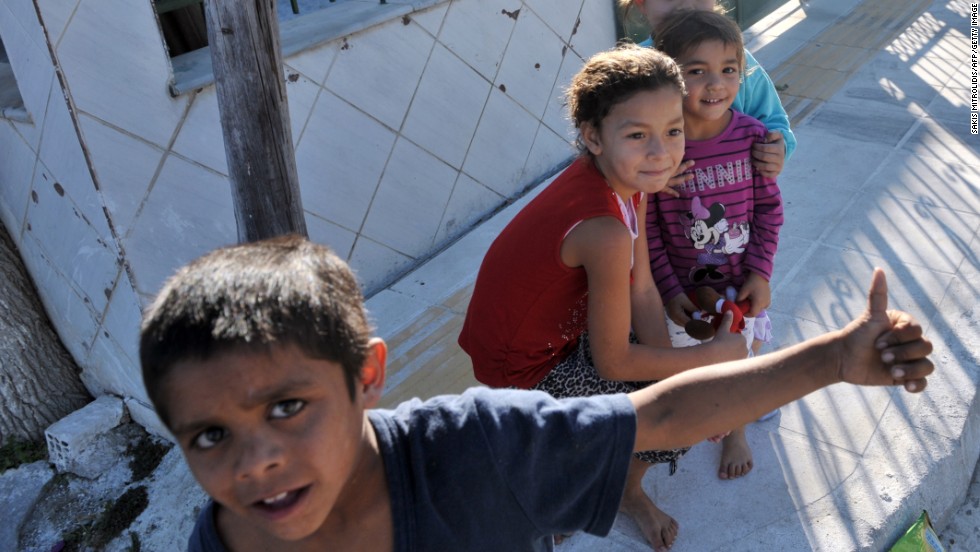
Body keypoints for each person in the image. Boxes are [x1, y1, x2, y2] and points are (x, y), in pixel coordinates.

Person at [139, 235, 932, 552]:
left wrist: (831, 358)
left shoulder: (478, 451)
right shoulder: (223, 538)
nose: (256, 464)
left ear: (368, 376)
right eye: (209, 435)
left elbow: (656, 414)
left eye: (287, 407)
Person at [458, 45, 747, 549]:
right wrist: (703, 367)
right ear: (593, 136)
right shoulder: (604, 227)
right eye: (638, 135)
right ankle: (618, 490)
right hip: (522, 372)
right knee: (681, 419)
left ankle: (609, 471)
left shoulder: (624, 180)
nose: (661, 153)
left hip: (555, 339)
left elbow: (642, 289)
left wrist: (683, 371)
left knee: (679, 390)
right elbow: (615, 362)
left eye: (673, 130)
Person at [646, 9, 784, 495]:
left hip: (743, 284)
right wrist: (666, 291)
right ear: (669, 76)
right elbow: (649, 232)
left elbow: (770, 213)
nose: (716, 83)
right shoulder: (661, 151)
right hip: (686, 293)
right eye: (696, 70)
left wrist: (762, 273)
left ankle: (738, 430)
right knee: (698, 364)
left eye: (729, 68)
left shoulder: (752, 138)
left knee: (743, 360)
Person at [618, 0, 796, 181]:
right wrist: (645, 177)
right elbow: (614, 142)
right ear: (641, 3)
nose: (686, 5)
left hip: (739, 202)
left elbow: (773, 120)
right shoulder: (632, 69)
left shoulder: (734, 59)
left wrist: (777, 148)